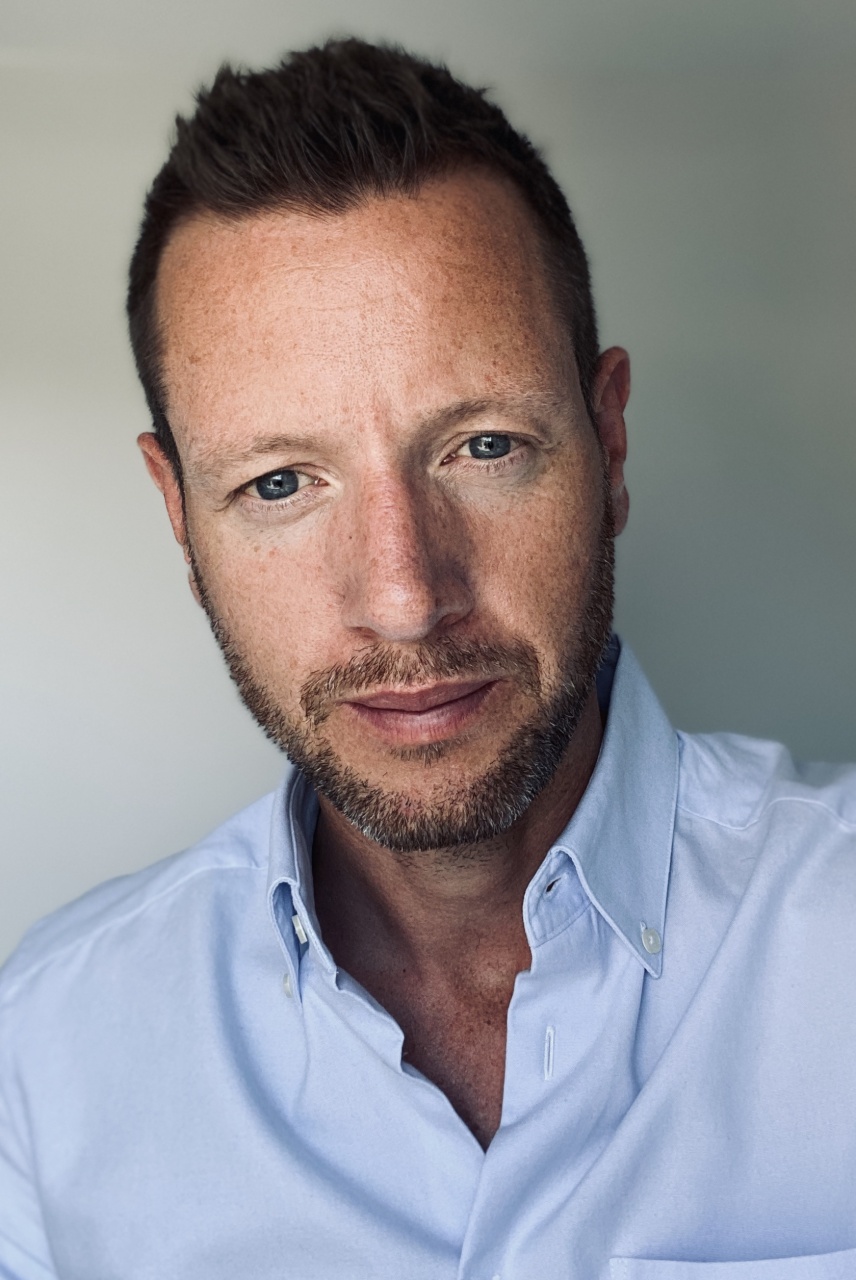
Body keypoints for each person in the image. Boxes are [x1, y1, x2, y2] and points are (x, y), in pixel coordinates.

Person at [1, 36, 855, 1280]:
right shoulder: (43, 1059)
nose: (404, 600)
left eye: (483, 447)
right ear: (180, 516)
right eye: (280, 482)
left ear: (610, 442)